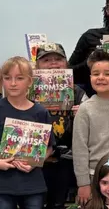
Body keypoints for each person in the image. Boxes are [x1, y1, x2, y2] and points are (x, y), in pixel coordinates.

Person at [72, 50, 109, 207]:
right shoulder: (85, 109)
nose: (101, 78)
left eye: (107, 74)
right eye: (95, 73)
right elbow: (79, 149)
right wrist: (83, 183)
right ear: (90, 77)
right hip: (93, 177)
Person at [35, 43, 89, 209]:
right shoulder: (27, 91)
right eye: (47, 60)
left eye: (58, 59)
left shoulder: (78, 92)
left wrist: (85, 113)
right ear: (37, 65)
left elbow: (92, 127)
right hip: (36, 161)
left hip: (67, 161)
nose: (53, 63)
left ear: (66, 64)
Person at [0, 56, 55, 208]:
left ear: (30, 82)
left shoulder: (40, 112)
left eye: (19, 78)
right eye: (7, 78)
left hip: (32, 184)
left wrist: (35, 161)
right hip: (3, 185)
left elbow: (50, 146)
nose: (12, 83)